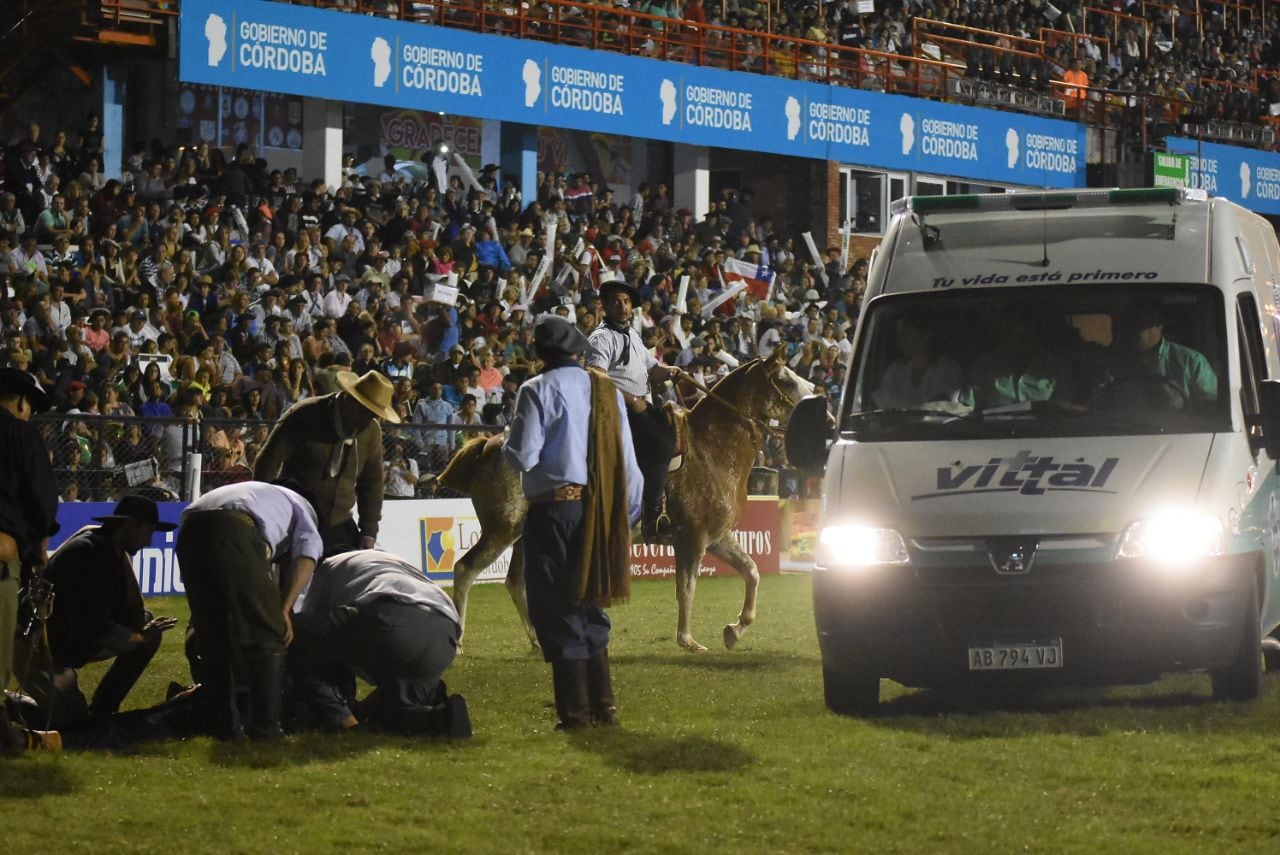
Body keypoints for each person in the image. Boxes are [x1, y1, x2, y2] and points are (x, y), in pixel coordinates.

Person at [503, 315, 642, 730]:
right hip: (599, 509)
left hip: (554, 510)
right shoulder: (606, 390)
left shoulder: (536, 390)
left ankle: (576, 714)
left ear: (540, 353)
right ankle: (605, 707)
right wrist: (626, 515)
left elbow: (524, 456)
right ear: (578, 350)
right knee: (592, 601)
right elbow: (628, 462)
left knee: (556, 605)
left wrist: (506, 441)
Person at [175, 480, 324, 741]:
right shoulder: (304, 508)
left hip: (189, 529)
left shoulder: (262, 494)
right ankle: (267, 728)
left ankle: (223, 726)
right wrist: (285, 609)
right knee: (268, 633)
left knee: (212, 635)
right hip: (235, 529)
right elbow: (307, 557)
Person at [28, 497, 180, 729]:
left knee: (148, 629)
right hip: (40, 647)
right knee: (74, 725)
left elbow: (133, 616)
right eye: (147, 532)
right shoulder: (91, 555)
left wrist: (141, 633)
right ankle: (11, 703)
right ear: (130, 526)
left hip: (62, 641)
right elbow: (94, 626)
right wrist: (138, 638)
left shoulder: (108, 549)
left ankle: (102, 709)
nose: (149, 542)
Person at [287, 549, 470, 737]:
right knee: (395, 711)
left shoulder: (326, 568)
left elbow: (314, 636)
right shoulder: (386, 559)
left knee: (294, 631)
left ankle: (342, 720)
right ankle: (440, 718)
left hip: (393, 623)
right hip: (445, 636)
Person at [253, 370, 400, 555]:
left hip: (339, 523)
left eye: (374, 414)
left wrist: (369, 532)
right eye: (364, 411)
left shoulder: (370, 431)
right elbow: (268, 462)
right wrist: (263, 514)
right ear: (349, 397)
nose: (367, 419)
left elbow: (371, 483)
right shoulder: (305, 414)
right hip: (295, 518)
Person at [587, 280, 682, 539]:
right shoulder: (601, 338)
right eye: (616, 302)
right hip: (615, 409)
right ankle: (652, 520)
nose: (623, 306)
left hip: (640, 405)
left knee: (675, 431)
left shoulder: (632, 335)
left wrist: (671, 372)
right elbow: (597, 378)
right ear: (605, 306)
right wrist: (632, 400)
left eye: (627, 302)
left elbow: (652, 369)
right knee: (661, 446)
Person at [0, 368, 62, 753]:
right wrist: (38, 548)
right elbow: (41, 501)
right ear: (21, 401)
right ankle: (11, 741)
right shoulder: (19, 435)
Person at [1114, 299, 1218, 406]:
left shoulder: (1191, 360)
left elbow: (1210, 404)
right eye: (1129, 327)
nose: (1133, 333)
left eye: (1140, 327)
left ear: (1159, 326)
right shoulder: (1116, 361)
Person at [871, 313, 964, 409]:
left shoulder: (947, 369)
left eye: (906, 332)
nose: (900, 339)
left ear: (926, 334)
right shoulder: (895, 370)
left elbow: (941, 409)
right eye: (898, 334)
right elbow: (883, 402)